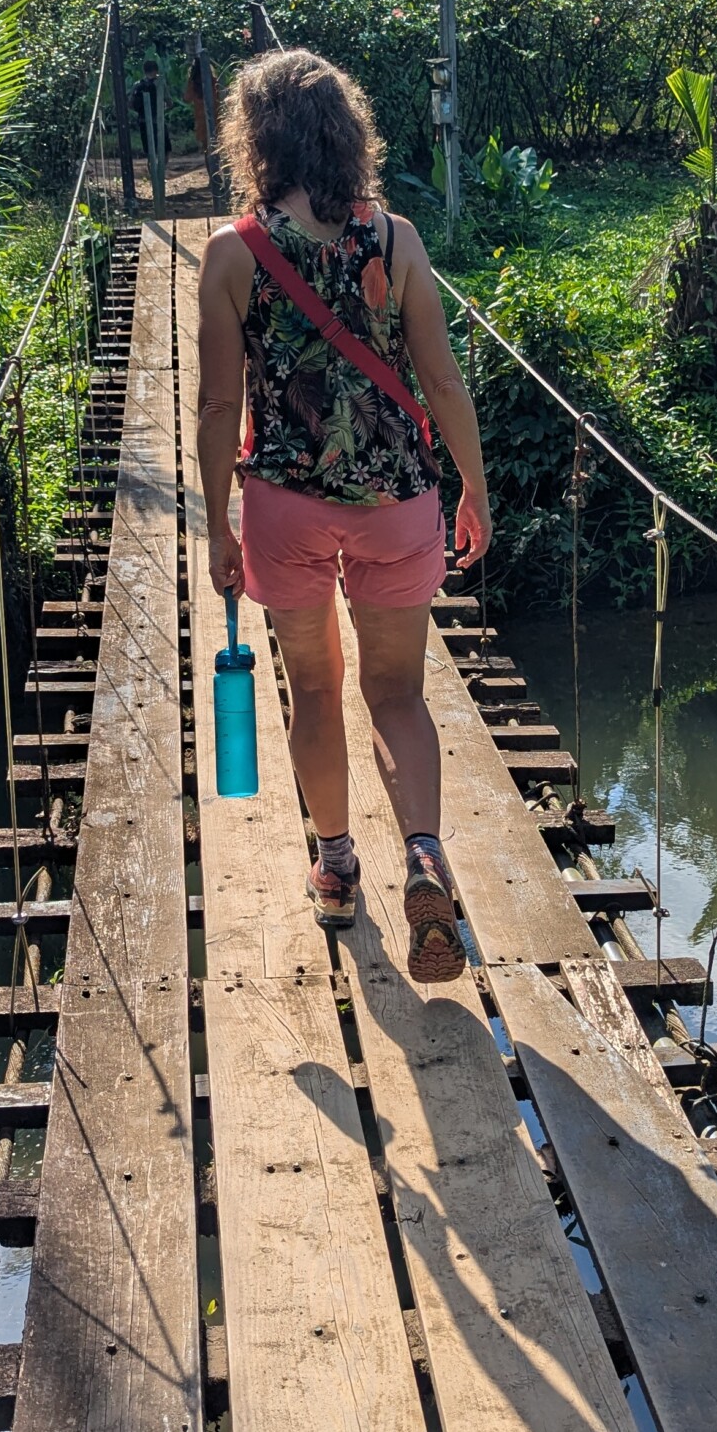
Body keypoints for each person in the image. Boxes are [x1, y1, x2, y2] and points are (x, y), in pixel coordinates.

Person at [197, 48, 492, 982]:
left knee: (317, 691)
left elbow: (212, 407)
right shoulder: (396, 239)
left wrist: (217, 525)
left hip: (286, 506)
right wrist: (473, 487)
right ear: (347, 134)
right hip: (398, 502)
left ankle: (335, 867)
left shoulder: (232, 252)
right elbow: (440, 378)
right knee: (397, 694)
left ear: (256, 141)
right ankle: (424, 855)